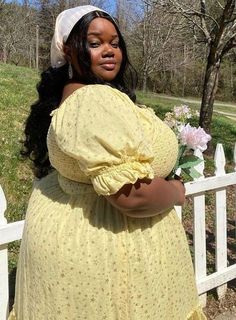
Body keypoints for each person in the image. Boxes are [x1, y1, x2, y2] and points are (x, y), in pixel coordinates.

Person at [9, 5, 207, 320]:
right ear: (70, 50)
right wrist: (175, 190)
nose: (109, 51)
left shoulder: (89, 96)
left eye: (114, 43)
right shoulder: (91, 102)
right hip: (109, 255)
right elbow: (132, 195)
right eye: (95, 42)